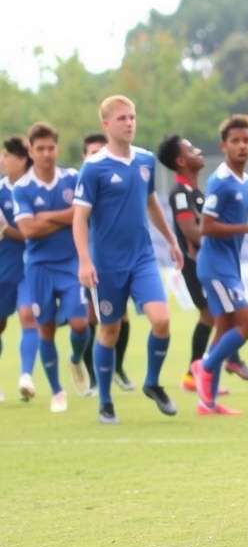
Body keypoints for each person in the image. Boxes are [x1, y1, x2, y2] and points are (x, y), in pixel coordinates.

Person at [73, 95, 183, 424]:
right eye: (122, 118)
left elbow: (150, 203)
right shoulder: (93, 168)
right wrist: (84, 261)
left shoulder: (146, 161)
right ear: (106, 124)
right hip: (107, 265)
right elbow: (79, 218)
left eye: (132, 117)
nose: (130, 123)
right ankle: (105, 401)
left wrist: (171, 239)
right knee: (109, 331)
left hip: (142, 259)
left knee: (161, 321)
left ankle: (152, 382)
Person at [156, 134, 248, 394]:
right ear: (181, 161)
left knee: (220, 318)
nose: (198, 151)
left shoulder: (197, 192)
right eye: (191, 149)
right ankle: (206, 369)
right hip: (199, 265)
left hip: (213, 260)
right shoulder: (180, 194)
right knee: (218, 317)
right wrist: (219, 242)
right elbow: (192, 231)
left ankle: (207, 378)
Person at [191, 114, 248, 416]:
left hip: (229, 263)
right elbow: (206, 227)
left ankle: (207, 403)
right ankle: (206, 365)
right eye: (235, 141)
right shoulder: (220, 182)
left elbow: (237, 226)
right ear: (223, 146)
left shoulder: (247, 183)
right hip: (215, 265)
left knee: (226, 326)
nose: (242, 146)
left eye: (246, 140)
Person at [13, 123, 92, 411]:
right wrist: (65, 217)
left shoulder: (72, 177)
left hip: (71, 262)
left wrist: (47, 216)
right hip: (39, 267)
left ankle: (75, 358)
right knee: (45, 328)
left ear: (57, 149)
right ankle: (58, 392)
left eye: (51, 148)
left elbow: (82, 213)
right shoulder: (22, 188)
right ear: (31, 152)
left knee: (80, 323)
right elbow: (28, 231)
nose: (47, 154)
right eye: (40, 149)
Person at [79, 133, 134, 394]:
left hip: (114, 261)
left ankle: (118, 369)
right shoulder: (85, 182)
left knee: (121, 316)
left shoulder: (114, 184)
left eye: (100, 150)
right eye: (92, 152)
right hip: (86, 261)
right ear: (84, 156)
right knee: (91, 317)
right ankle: (92, 376)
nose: (97, 155)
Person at [0, 138, 39, 403]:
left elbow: (31, 233)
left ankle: (26, 376)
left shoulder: (33, 188)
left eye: (6, 156)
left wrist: (5, 229)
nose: (2, 160)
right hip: (4, 265)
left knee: (28, 316)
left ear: (22, 159)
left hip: (30, 265)